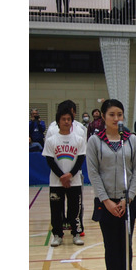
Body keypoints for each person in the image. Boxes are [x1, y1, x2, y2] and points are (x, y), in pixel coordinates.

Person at [86, 99, 136, 270]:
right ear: (103, 117)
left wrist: (128, 198)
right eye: (112, 114)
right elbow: (93, 173)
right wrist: (106, 201)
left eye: (119, 114)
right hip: (106, 202)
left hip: (126, 200)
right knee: (111, 247)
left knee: (126, 246)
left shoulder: (131, 140)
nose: (116, 118)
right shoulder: (94, 141)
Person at [42, 105, 86, 246]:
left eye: (69, 119)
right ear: (58, 121)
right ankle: (57, 234)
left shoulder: (79, 139)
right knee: (56, 210)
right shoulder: (51, 140)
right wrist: (62, 176)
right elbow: (49, 160)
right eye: (63, 119)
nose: (66, 121)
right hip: (56, 182)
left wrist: (70, 175)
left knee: (75, 209)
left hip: (75, 181)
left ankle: (76, 233)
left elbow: (80, 159)